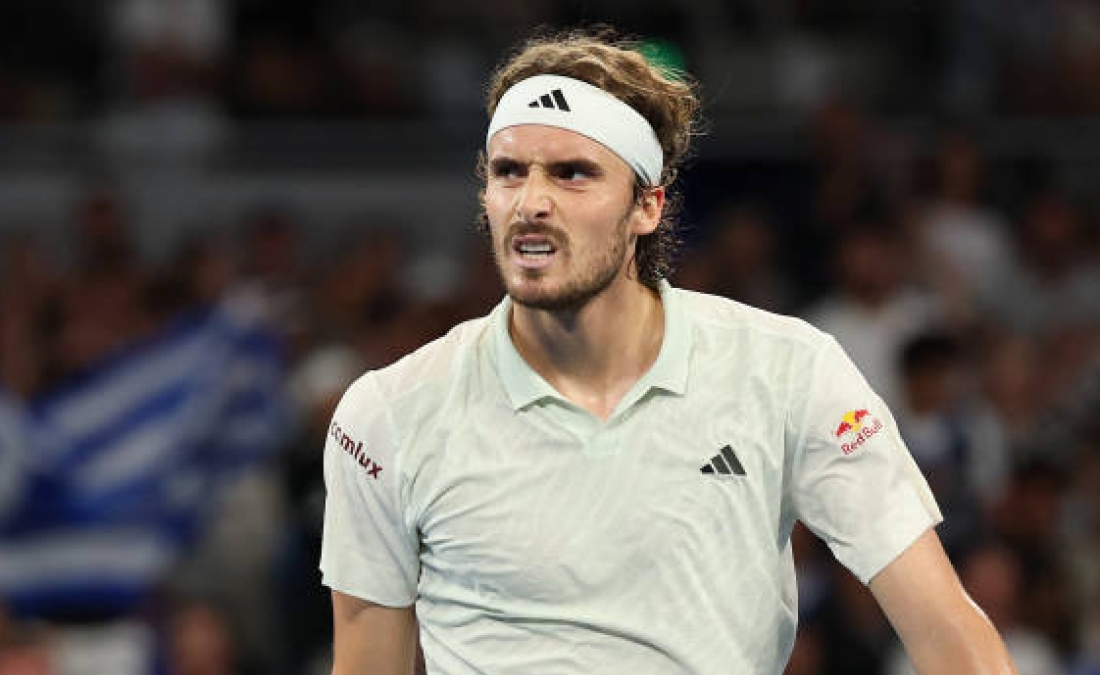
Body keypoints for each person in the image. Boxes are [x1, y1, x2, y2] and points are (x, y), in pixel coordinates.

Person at [319, 29, 1019, 675]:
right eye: (509, 172)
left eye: (571, 173)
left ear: (646, 206)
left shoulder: (790, 372)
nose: (531, 201)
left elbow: (948, 630)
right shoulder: (388, 414)